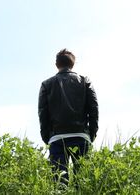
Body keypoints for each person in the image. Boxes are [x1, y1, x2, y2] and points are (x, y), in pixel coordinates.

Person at [38, 48, 99, 185]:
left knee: (60, 184)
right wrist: (91, 134)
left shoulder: (47, 84)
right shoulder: (84, 81)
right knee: (83, 184)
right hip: (81, 137)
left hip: (57, 138)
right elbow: (94, 108)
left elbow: (42, 112)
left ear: (56, 64)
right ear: (73, 64)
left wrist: (47, 137)